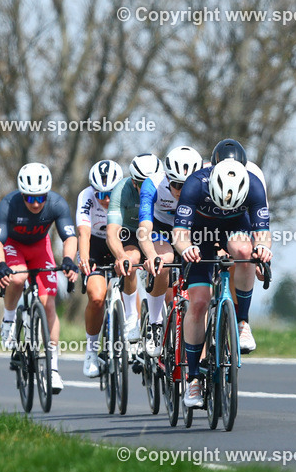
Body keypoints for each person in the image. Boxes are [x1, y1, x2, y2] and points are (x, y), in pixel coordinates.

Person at [171, 139, 272, 408]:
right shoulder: (195, 183)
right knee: (199, 302)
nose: (226, 205)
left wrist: (261, 249)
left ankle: (242, 323)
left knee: (244, 250)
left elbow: (262, 233)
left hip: (236, 228)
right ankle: (192, 380)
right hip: (200, 234)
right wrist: (186, 248)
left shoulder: (254, 185)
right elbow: (179, 234)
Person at [0, 163, 79, 394]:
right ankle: (9, 319)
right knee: (17, 280)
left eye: (40, 197)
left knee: (48, 303)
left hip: (41, 248)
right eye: (30, 199)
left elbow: (69, 237)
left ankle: (53, 369)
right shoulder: (9, 204)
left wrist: (69, 259)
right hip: (14, 246)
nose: (36, 203)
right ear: (22, 194)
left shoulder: (57, 203)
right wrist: (0, 265)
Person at [137, 146, 202, 357]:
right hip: (161, 229)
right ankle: (155, 323)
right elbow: (144, 229)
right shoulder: (152, 185)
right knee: (164, 261)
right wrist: (151, 255)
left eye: (186, 185)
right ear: (166, 177)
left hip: (191, 230)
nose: (180, 191)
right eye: (175, 184)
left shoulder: (205, 186)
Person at [106, 153, 162, 343]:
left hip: (156, 233)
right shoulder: (121, 190)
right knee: (130, 261)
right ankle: (131, 316)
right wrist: (121, 256)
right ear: (133, 181)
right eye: (140, 182)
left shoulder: (164, 186)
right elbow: (112, 232)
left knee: (166, 269)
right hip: (131, 234)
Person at [75, 159, 124, 377]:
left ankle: (132, 334)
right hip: (94, 245)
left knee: (130, 284)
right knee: (96, 297)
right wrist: (84, 258)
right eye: (100, 194)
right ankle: (92, 351)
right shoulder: (86, 196)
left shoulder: (126, 193)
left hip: (120, 244)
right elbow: (83, 233)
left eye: (109, 194)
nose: (104, 200)